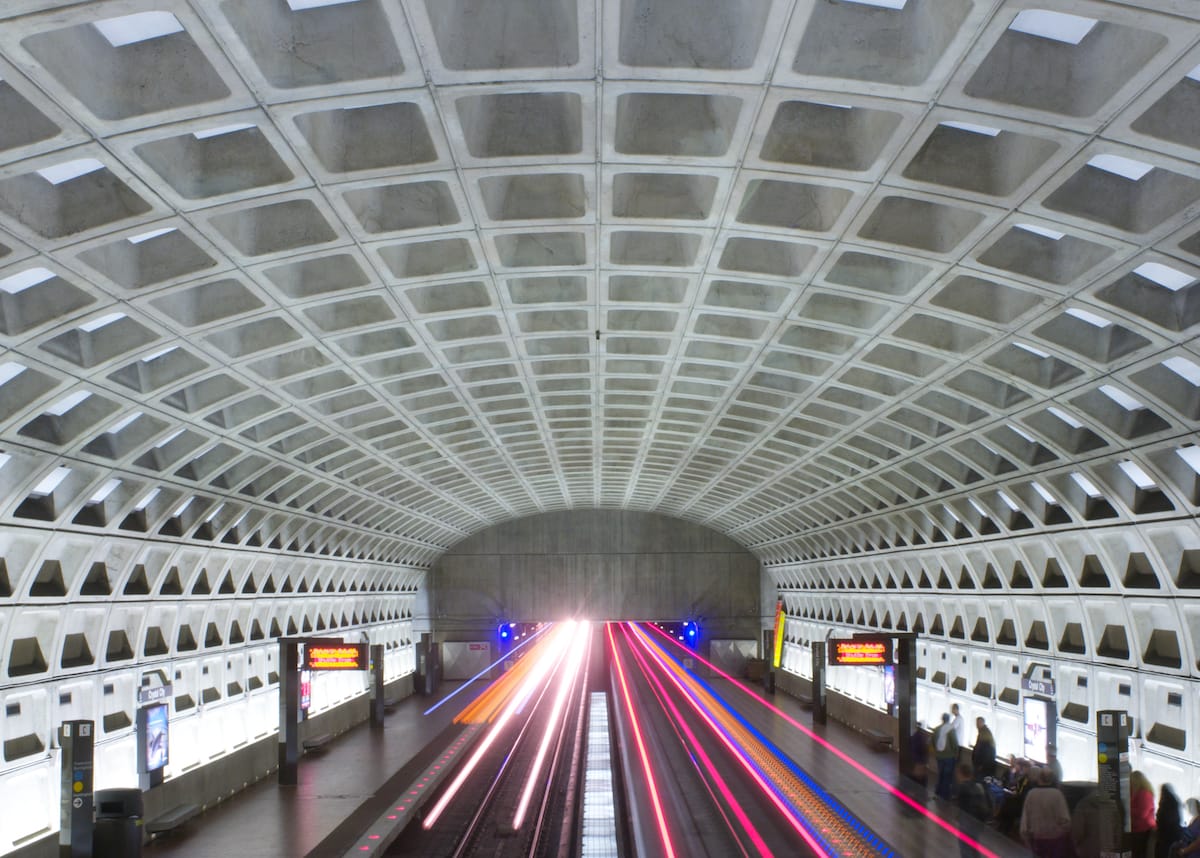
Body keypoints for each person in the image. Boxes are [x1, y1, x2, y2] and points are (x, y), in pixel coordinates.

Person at [1072, 788, 1121, 858]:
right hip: (1108, 850)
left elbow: (1077, 831)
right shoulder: (1112, 805)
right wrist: (1115, 845)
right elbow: (1117, 831)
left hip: (1088, 850)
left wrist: (1076, 846)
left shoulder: (1083, 804)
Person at [955, 761, 990, 856]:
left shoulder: (962, 787)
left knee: (965, 848)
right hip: (978, 821)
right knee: (974, 845)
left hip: (966, 821)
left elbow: (959, 804)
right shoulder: (978, 786)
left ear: (960, 773)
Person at [1130, 771, 1157, 858]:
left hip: (1143, 830)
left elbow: (1142, 813)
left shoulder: (1144, 793)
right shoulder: (1138, 792)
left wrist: (1127, 810)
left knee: (1138, 853)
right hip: (1138, 829)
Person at [934, 712, 960, 800]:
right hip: (949, 756)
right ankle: (944, 795)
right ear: (948, 720)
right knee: (947, 776)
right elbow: (954, 743)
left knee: (940, 774)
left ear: (942, 719)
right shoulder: (951, 729)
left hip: (939, 756)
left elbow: (933, 742)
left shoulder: (937, 729)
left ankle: (938, 791)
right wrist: (956, 754)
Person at [1159, 785, 1184, 858]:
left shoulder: (1165, 802)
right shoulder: (1174, 800)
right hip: (1175, 833)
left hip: (1166, 835)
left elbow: (1163, 818)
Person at [909, 722, 930, 797]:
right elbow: (925, 749)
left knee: (917, 775)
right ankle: (922, 793)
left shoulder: (914, 736)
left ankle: (915, 792)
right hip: (922, 760)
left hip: (916, 759)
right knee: (922, 776)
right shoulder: (924, 736)